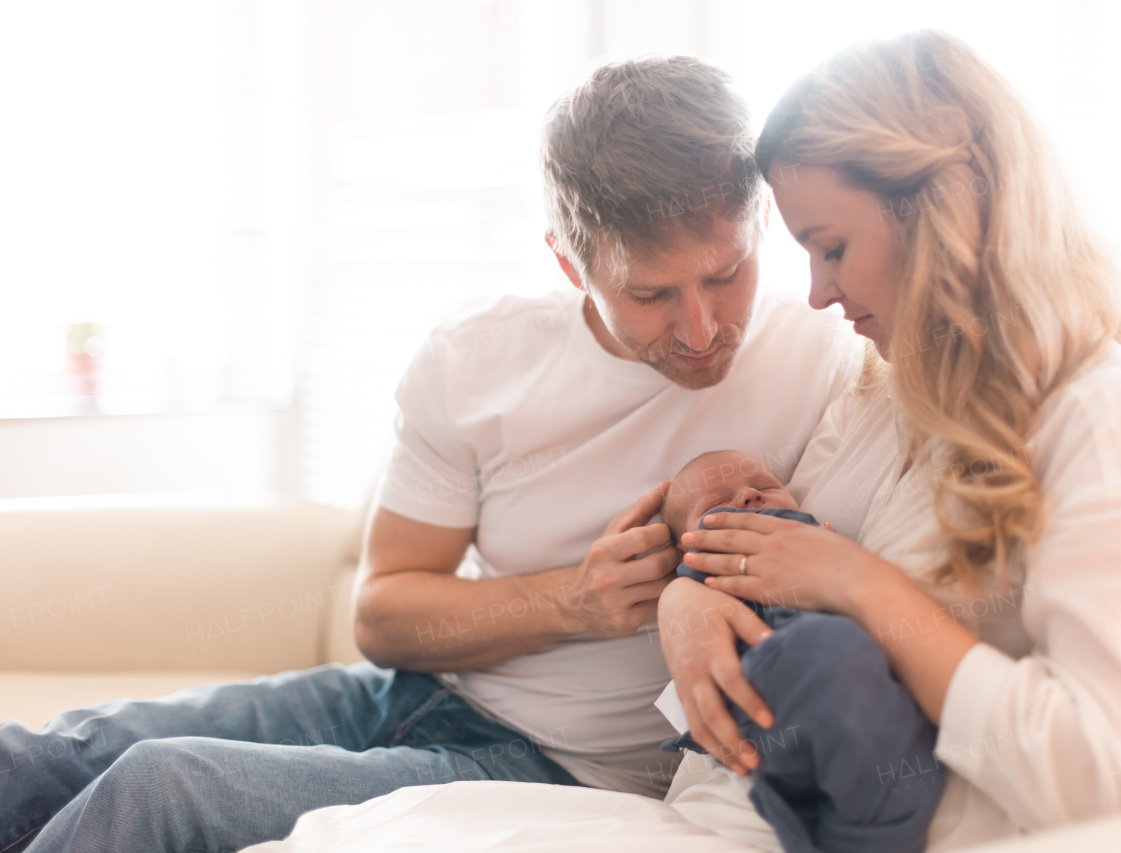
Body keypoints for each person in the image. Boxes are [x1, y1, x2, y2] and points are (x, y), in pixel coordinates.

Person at [0, 57, 853, 853]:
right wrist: (575, 601)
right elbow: (382, 616)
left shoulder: (825, 355)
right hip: (414, 692)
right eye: (651, 293)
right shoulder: (475, 359)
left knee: (156, 787)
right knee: (41, 755)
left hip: (553, 769)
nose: (703, 329)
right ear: (569, 264)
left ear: (761, 220)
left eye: (727, 272)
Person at [658, 30, 1121, 852]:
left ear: (940, 211)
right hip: (692, 816)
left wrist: (868, 589)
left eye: (833, 248)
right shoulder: (882, 392)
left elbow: (1099, 779)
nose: (817, 293)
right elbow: (780, 580)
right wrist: (688, 602)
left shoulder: (1109, 421)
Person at [659, 450, 945, 853]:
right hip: (763, 672)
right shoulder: (703, 567)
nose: (747, 495)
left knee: (866, 703)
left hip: (833, 673)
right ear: (684, 552)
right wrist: (682, 589)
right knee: (826, 656)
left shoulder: (808, 532)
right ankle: (870, 834)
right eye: (716, 505)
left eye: (765, 487)